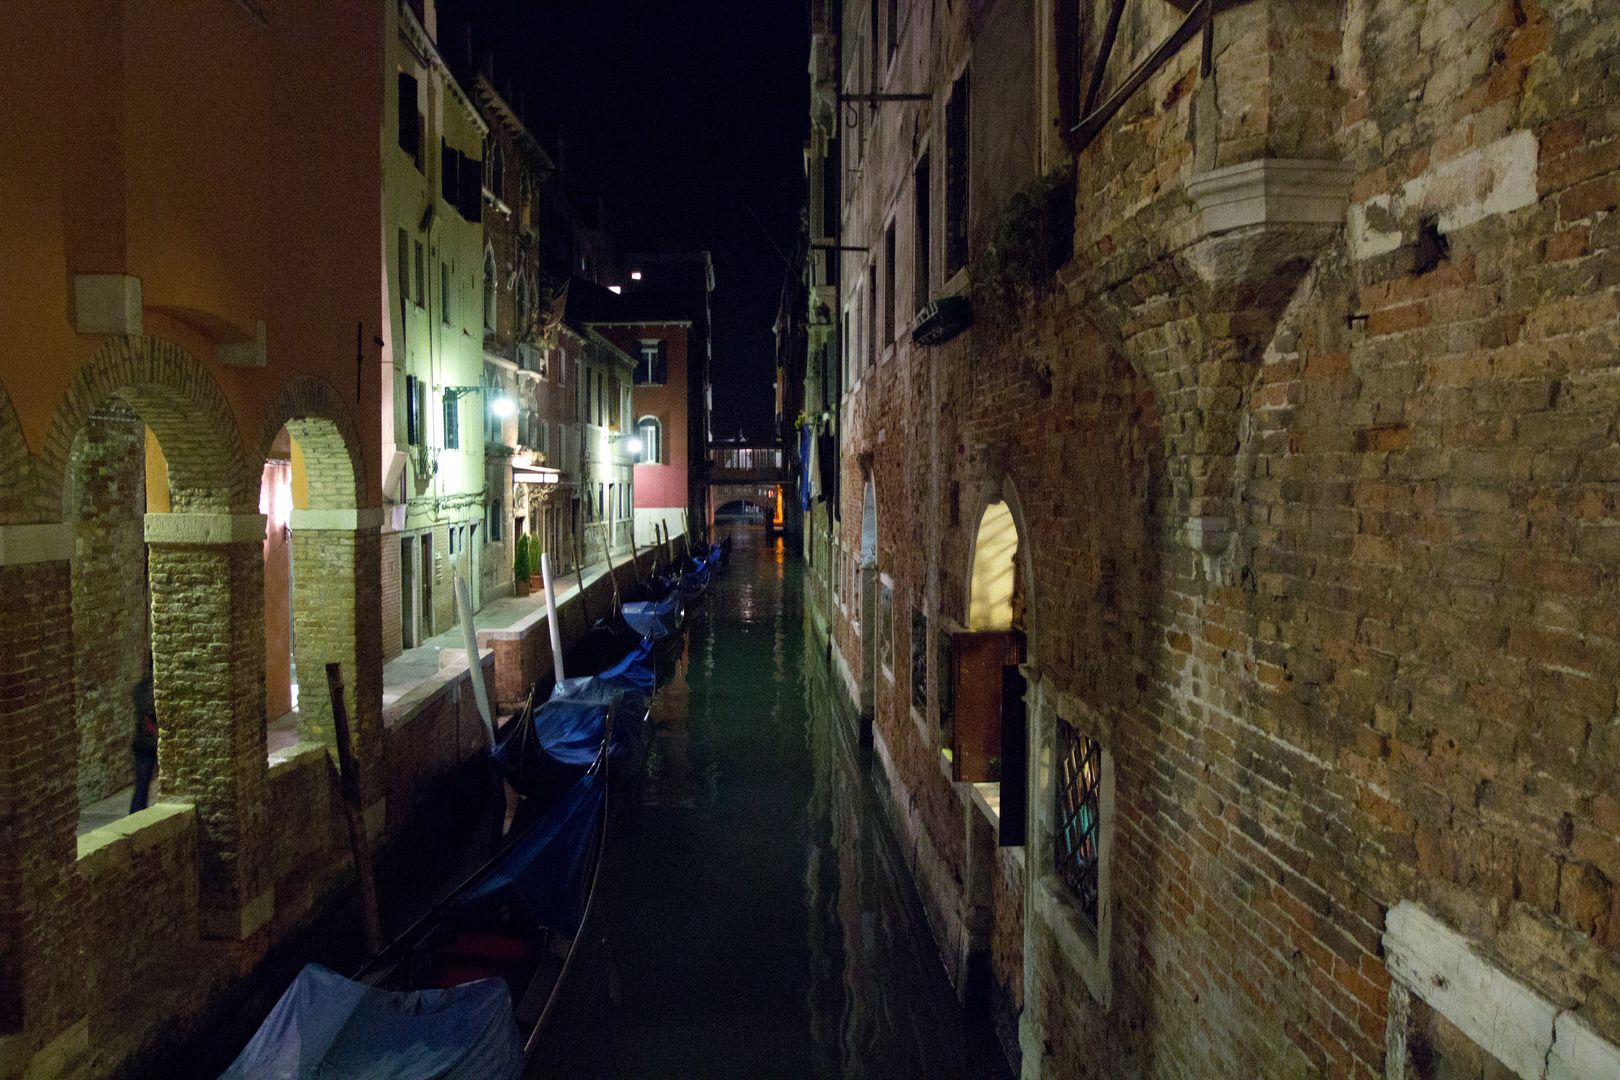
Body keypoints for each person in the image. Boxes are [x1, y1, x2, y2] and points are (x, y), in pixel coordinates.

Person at [131, 659, 157, 813]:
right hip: (149, 743)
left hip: (142, 744)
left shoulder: (139, 689)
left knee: (141, 787)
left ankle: (136, 815)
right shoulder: (155, 691)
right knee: (142, 787)